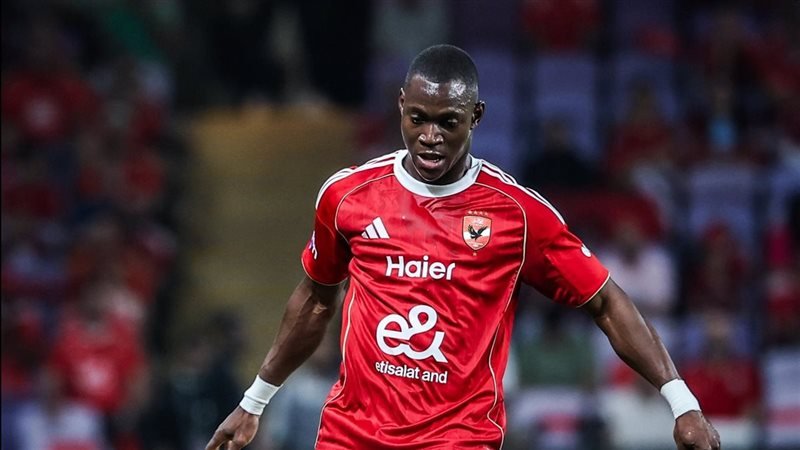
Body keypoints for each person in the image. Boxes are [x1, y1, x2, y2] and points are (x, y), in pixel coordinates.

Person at [205, 44, 721, 450]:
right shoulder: (348, 196)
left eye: (447, 122)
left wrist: (682, 403)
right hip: (352, 437)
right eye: (418, 118)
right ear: (400, 107)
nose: (430, 136)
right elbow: (316, 302)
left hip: (459, 440)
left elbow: (606, 302)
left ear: (476, 116)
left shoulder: (518, 214)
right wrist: (254, 401)